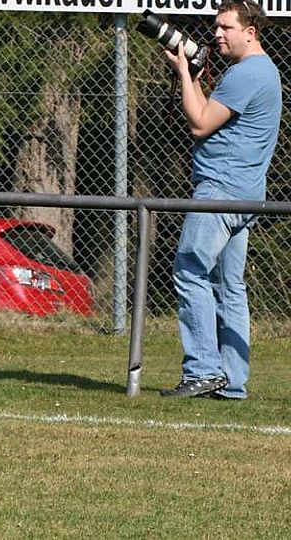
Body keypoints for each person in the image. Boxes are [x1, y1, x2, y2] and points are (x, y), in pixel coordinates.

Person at [160, 1, 281, 399]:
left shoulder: (245, 74)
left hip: (220, 190)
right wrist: (194, 78)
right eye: (215, 26)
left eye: (226, 27)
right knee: (229, 285)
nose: (217, 34)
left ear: (250, 32)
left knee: (189, 271)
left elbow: (199, 124)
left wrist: (183, 74)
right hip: (245, 193)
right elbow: (209, 113)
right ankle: (231, 381)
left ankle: (203, 370)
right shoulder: (264, 71)